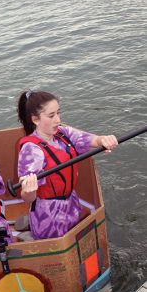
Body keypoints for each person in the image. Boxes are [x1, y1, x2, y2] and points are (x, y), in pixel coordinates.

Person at [17, 90, 118, 240]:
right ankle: (32, 230)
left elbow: (91, 139)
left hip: (70, 200)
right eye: (51, 116)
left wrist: (103, 140)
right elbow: (27, 197)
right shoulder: (31, 149)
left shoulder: (62, 133)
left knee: (75, 234)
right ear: (35, 119)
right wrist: (29, 190)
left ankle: (30, 226)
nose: (57, 120)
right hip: (48, 211)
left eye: (58, 113)